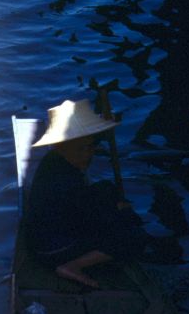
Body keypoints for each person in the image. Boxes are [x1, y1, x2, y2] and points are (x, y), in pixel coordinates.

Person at [25, 98, 145, 288]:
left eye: (90, 147)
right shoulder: (67, 182)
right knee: (132, 236)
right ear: (62, 147)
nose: (88, 154)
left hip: (50, 232)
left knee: (105, 188)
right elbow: (94, 220)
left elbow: (88, 142)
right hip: (52, 250)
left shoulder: (55, 159)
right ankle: (71, 266)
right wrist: (123, 213)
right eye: (81, 149)